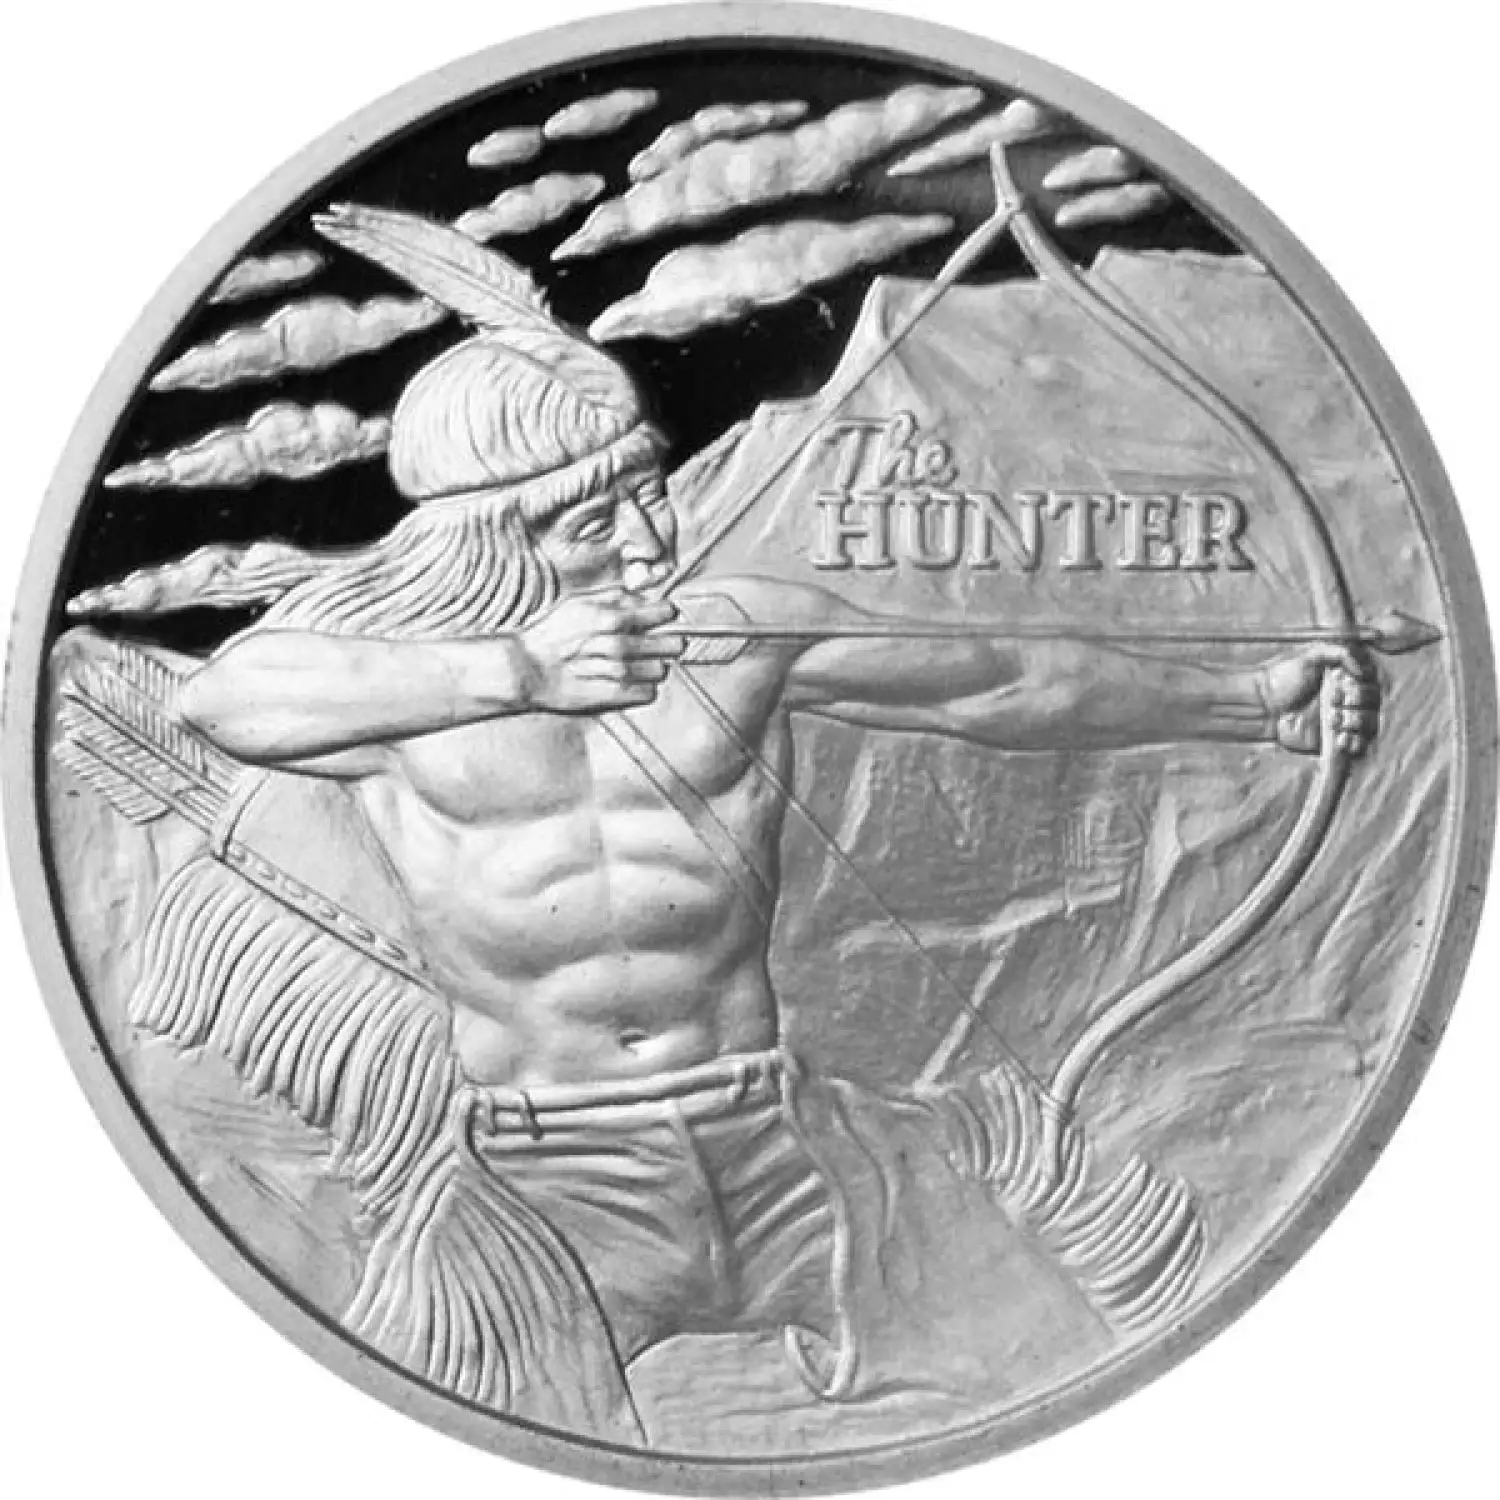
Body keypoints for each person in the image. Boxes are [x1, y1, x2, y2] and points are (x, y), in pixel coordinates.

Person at [130, 206, 1379, 1441]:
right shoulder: (404, 693)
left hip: (788, 1148)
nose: (647, 542)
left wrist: (1249, 701)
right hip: (544, 1187)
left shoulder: (728, 639)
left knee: (1052, 1371)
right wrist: (519, 671)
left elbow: (999, 678)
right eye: (593, 524)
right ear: (493, 542)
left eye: (648, 495)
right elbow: (219, 700)